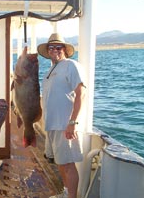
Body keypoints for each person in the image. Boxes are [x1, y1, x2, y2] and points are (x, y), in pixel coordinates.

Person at [37, 33, 86, 198]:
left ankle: (72, 196)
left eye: (58, 47)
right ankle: (65, 193)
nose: (54, 50)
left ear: (64, 49)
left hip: (64, 124)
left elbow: (81, 94)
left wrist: (72, 122)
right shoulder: (50, 70)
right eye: (51, 47)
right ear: (48, 51)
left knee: (67, 164)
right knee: (59, 162)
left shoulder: (71, 65)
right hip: (51, 125)